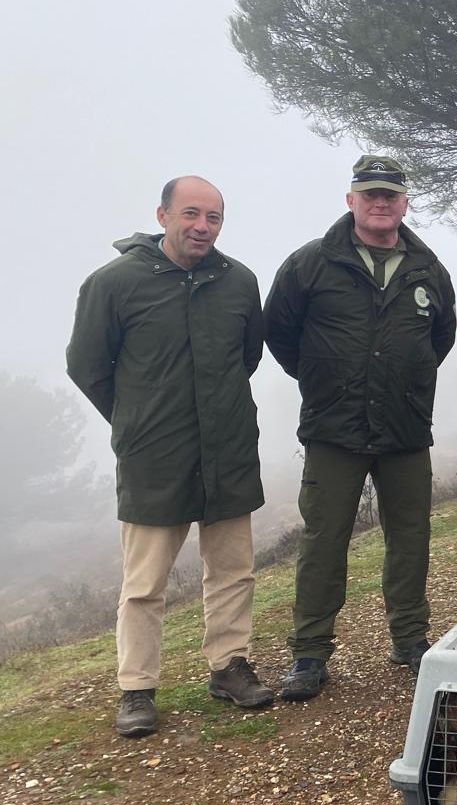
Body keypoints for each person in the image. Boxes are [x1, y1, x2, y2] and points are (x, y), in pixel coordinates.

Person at [67, 176, 274, 737]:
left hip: (228, 449)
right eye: (191, 214)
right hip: (153, 456)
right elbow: (87, 366)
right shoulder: (113, 284)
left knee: (233, 570)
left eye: (214, 217)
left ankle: (229, 666)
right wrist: (137, 421)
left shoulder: (239, 282)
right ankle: (137, 688)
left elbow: (246, 357)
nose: (202, 226)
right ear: (162, 215)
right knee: (144, 583)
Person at [264, 155, 457, 700]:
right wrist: (325, 378)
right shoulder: (309, 264)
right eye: (369, 193)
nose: (380, 202)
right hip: (333, 429)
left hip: (404, 428)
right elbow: (281, 335)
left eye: (390, 194)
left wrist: (403, 382)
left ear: (404, 203)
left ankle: (410, 640)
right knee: (324, 540)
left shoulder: (428, 269)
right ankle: (309, 652)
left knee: (410, 538)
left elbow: (438, 339)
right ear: (350, 200)